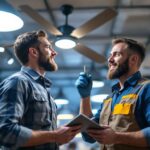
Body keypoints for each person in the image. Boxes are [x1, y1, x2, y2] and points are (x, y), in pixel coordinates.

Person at [0, 30, 81, 150]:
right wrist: (53, 136)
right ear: (33, 52)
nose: (54, 53)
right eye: (48, 47)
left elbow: (42, 139)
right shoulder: (18, 82)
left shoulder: (43, 89)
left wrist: (59, 138)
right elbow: (5, 131)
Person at [75, 38, 150, 150]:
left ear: (133, 59)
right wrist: (85, 97)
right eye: (110, 55)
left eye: (117, 54)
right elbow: (88, 136)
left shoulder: (146, 88)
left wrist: (117, 137)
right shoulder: (109, 99)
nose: (109, 59)